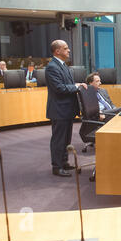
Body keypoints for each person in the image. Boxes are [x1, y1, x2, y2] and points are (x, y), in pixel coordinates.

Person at [45, 40, 87, 177]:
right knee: (59, 140)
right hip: (59, 110)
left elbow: (67, 84)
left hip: (66, 110)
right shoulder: (52, 67)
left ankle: (64, 162)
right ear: (57, 51)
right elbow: (59, 88)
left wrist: (76, 85)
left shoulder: (63, 65)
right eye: (66, 48)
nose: (69, 50)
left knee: (66, 139)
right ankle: (56, 167)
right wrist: (76, 86)